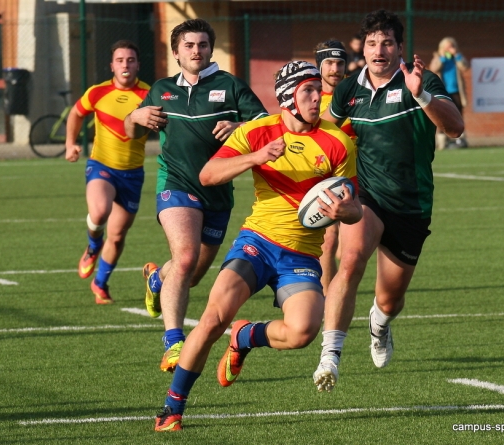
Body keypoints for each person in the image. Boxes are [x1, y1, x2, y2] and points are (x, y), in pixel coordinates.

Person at [153, 61, 362, 432]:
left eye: (318, 90)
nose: (318, 98)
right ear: (288, 97)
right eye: (308, 92)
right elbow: (208, 174)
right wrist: (256, 157)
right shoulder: (257, 132)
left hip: (300, 255)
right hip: (257, 243)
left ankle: (246, 335)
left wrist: (347, 211)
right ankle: (172, 407)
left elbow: (355, 206)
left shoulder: (338, 142)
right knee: (213, 319)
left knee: (302, 332)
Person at [313, 9, 464, 392]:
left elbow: (456, 127)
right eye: (371, 43)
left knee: (390, 299)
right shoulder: (348, 90)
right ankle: (329, 357)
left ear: (399, 48)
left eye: (387, 43)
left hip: (411, 204)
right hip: (368, 197)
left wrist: (422, 95)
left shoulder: (422, 80)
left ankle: (379, 324)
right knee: (349, 260)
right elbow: (324, 134)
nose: (378, 50)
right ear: (362, 48)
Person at [124, 18, 268, 373]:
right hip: (175, 183)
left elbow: (267, 126)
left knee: (191, 274)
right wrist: (136, 115)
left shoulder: (230, 86)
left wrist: (239, 126)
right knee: (185, 257)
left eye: (202, 45)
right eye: (188, 45)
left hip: (218, 191)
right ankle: (174, 343)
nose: (196, 51)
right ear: (176, 52)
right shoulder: (161, 89)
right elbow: (129, 130)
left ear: (210, 49)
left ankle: (157, 279)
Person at [66, 40, 150, 304]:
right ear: (112, 65)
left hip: (133, 173)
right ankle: (92, 246)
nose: (125, 64)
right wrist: (71, 143)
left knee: (117, 235)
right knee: (99, 211)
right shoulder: (98, 92)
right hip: (101, 166)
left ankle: (100, 284)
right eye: (120, 60)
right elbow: (76, 113)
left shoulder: (150, 95)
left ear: (138, 64)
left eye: (130, 60)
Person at [314, 39, 354, 295]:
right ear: (319, 65)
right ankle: (327, 302)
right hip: (324, 176)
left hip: (360, 174)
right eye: (329, 62)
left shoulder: (356, 91)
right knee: (327, 243)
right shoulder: (310, 94)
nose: (335, 69)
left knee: (349, 250)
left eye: (340, 63)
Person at [429, 37, 469, 149]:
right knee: (442, 115)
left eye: (451, 46)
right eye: (447, 46)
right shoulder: (439, 57)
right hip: (443, 91)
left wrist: (456, 54)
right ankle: (442, 142)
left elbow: (465, 66)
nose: (450, 49)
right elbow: (434, 68)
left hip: (456, 91)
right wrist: (441, 57)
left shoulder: (456, 57)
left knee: (458, 115)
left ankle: (460, 140)